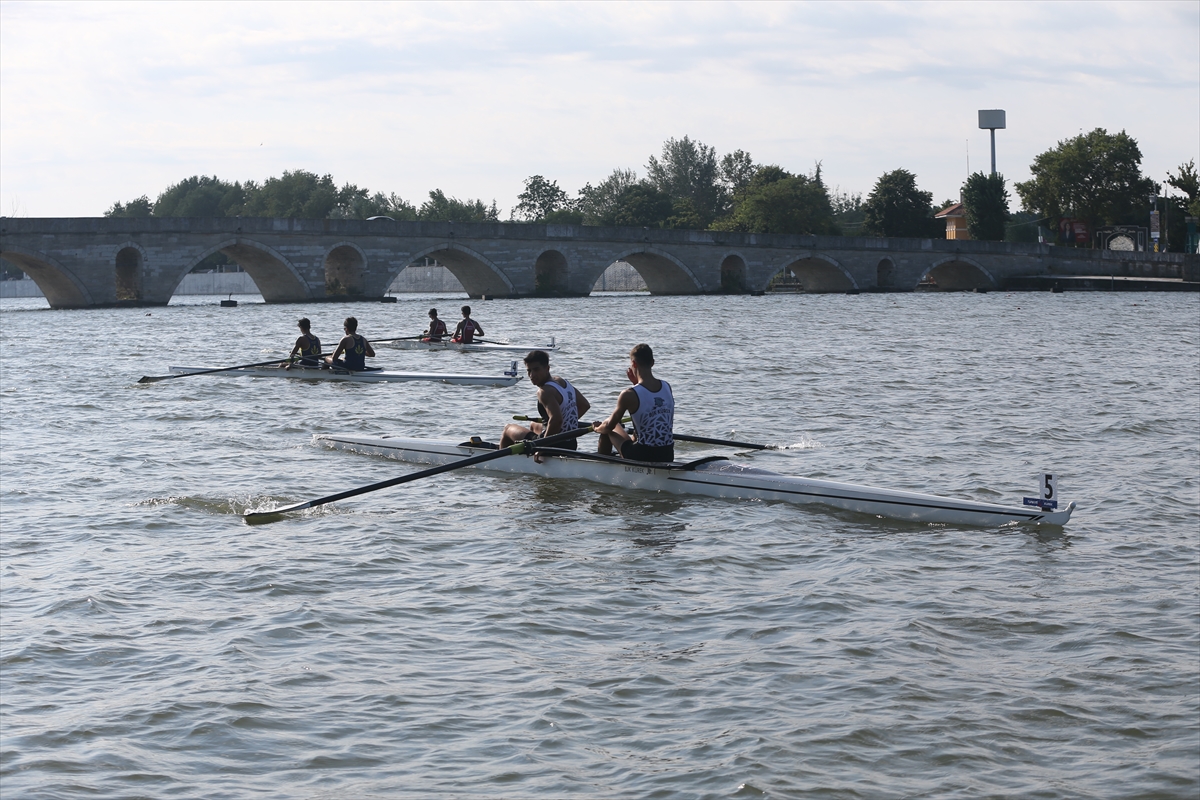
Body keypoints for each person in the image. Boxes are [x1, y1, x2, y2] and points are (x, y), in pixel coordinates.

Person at [593, 343, 674, 462]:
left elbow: (609, 426)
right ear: (652, 362)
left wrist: (597, 428)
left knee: (608, 426)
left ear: (633, 364)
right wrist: (635, 384)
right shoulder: (666, 386)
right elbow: (647, 402)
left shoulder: (628, 394)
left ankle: (602, 468)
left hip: (643, 455)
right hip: (667, 454)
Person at [500, 350, 591, 455]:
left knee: (507, 428)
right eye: (529, 371)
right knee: (534, 424)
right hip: (571, 443)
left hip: (554, 446)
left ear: (547, 368)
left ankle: (503, 460)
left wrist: (542, 449)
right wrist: (567, 426)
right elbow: (584, 405)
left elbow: (556, 420)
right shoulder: (562, 382)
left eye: (536, 369)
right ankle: (527, 452)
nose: (532, 375)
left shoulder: (544, 392)